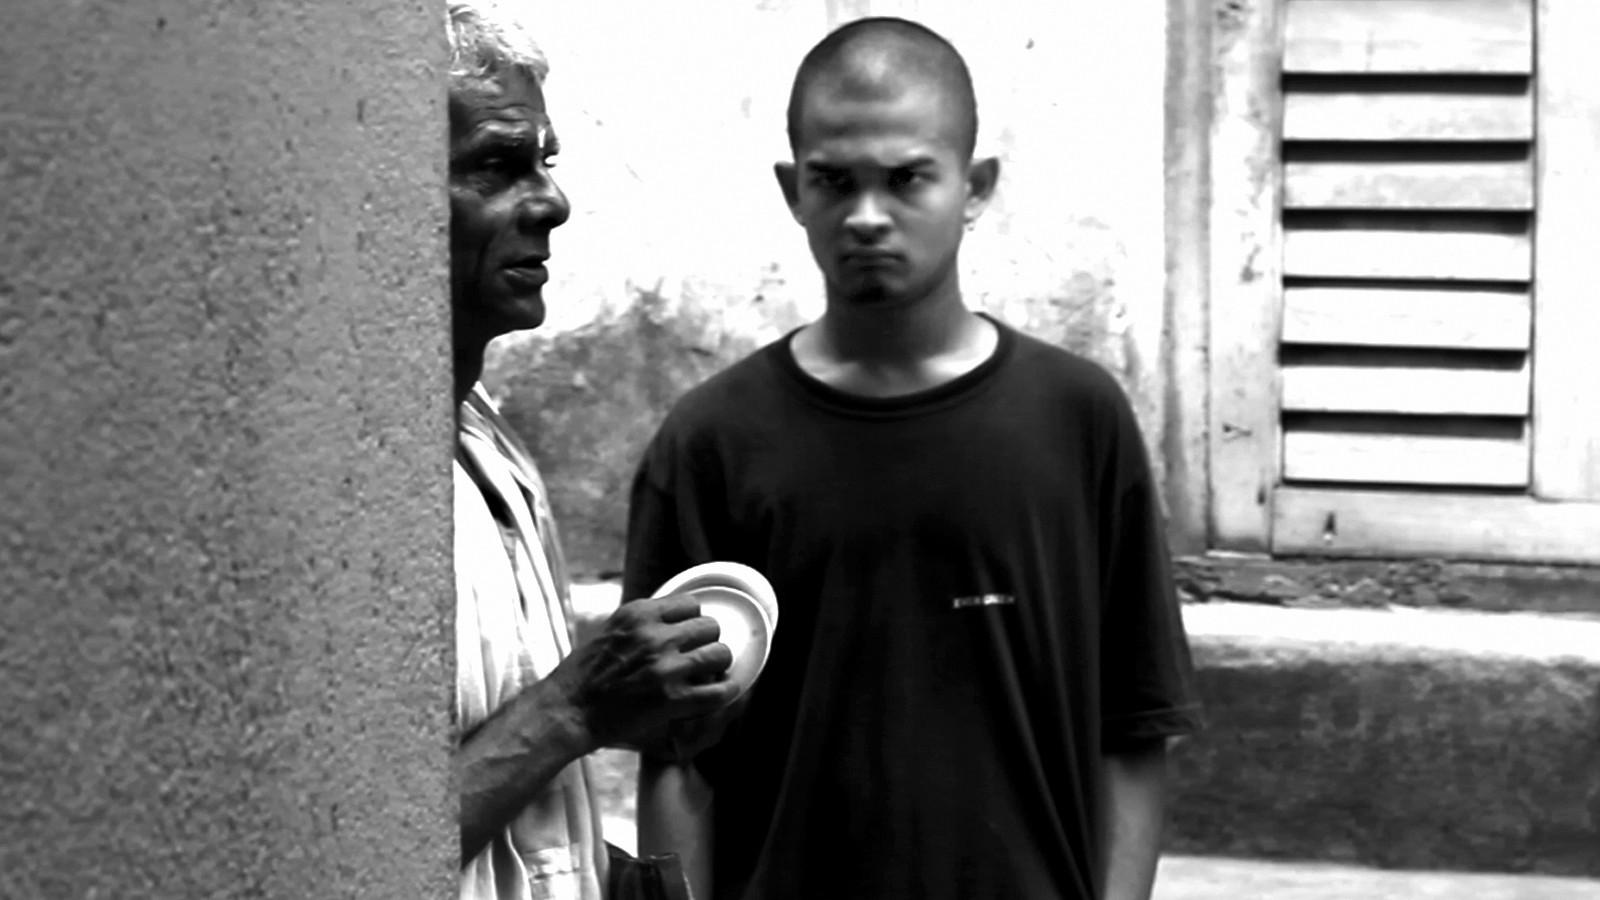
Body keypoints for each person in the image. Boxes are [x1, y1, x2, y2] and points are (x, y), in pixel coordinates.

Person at [622, 16, 1202, 900]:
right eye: (834, 181)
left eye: (905, 180)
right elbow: (679, 762)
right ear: (793, 189)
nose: (865, 215)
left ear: (975, 186)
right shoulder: (712, 441)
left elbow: (1132, 729)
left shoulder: (1077, 420)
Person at [445, 4, 739, 898]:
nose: (551, 201)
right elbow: (340, 844)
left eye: (545, 160)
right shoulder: (351, 483)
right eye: (498, 163)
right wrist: (574, 708)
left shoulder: (489, 449)